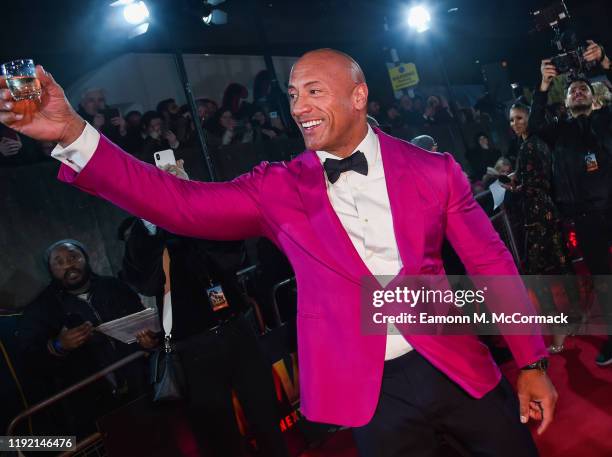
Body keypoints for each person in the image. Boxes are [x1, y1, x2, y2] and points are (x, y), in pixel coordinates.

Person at [1, 49, 556, 457]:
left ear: (358, 95)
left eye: (314, 90)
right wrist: (74, 133)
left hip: (457, 366)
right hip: (368, 390)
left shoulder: (434, 169)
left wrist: (530, 361)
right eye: (292, 95)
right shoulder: (277, 188)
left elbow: (491, 265)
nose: (299, 106)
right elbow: (179, 205)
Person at [119, 161, 288, 457]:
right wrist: (148, 219)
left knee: (265, 414)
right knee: (218, 432)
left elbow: (231, 255)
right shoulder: (143, 233)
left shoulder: (196, 211)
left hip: (237, 329)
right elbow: (146, 281)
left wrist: (192, 194)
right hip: (193, 346)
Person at [17, 240, 151, 438]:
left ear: (86, 259)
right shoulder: (42, 308)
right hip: (94, 406)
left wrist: (149, 341)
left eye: (74, 257)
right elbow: (30, 360)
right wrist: (58, 346)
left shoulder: (114, 286)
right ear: (50, 269)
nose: (69, 265)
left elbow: (145, 323)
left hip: (143, 386)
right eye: (59, 262)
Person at [531, 40, 612, 365]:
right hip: (586, 216)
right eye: (572, 90)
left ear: (594, 99)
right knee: (604, 282)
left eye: (583, 89)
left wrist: (606, 63)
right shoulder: (559, 131)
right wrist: (544, 85)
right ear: (564, 101)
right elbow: (535, 126)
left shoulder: (606, 121)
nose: (578, 92)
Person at [507, 103, 580, 353]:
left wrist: (515, 187)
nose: (514, 123)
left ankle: (559, 327)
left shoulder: (531, 145)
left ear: (530, 119)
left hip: (538, 212)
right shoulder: (533, 144)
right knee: (560, 265)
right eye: (511, 120)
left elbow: (538, 183)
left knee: (539, 274)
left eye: (519, 118)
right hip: (545, 210)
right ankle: (574, 317)